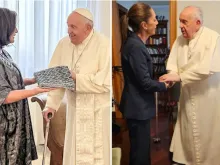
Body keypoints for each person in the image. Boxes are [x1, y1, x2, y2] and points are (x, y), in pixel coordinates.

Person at [42, 8, 110, 165]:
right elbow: (56, 77)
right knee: (74, 155)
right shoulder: (63, 44)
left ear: (88, 28)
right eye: (68, 26)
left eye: (73, 27)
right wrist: (51, 105)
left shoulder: (104, 45)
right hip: (75, 110)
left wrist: (75, 78)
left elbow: (105, 84)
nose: (69, 31)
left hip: (97, 112)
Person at [160, 6, 220, 165]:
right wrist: (171, 77)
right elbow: (172, 64)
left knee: (208, 134)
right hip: (187, 97)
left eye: (184, 22)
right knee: (187, 133)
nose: (180, 25)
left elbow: (208, 70)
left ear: (198, 23)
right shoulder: (179, 40)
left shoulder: (213, 38)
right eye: (180, 21)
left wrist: (179, 76)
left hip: (207, 98)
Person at [0, 8, 55, 164]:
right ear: (3, 27)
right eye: (13, 25)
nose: (16, 30)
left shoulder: (3, 53)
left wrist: (30, 80)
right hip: (4, 127)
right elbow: (4, 95)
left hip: (14, 122)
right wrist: (35, 91)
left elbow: (7, 81)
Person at [119, 3, 168, 165]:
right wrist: (165, 85)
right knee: (139, 154)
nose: (157, 23)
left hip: (138, 107)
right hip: (137, 108)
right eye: (154, 19)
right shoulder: (135, 47)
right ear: (144, 25)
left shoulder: (135, 44)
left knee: (142, 150)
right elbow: (145, 83)